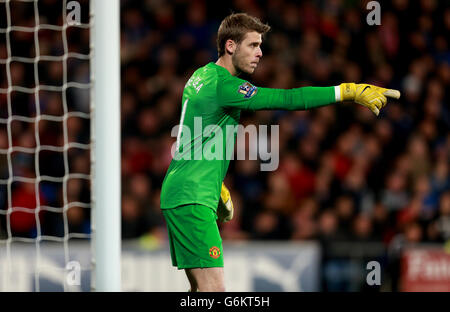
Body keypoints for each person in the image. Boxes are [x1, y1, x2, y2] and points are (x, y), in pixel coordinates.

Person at [159, 12, 400, 292]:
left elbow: (196, 134)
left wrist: (215, 185)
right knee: (214, 292)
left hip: (185, 190)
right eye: (253, 45)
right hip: (192, 197)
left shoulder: (201, 75)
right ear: (230, 46)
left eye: (260, 45)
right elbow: (288, 99)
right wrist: (346, 91)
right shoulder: (224, 85)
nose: (260, 53)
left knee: (199, 292)